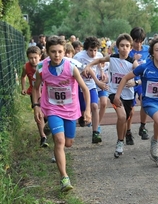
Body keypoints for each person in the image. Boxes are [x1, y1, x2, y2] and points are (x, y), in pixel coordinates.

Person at [32, 35, 91, 192]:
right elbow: (36, 87)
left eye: (59, 52)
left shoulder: (71, 67)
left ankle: (52, 128)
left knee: (68, 143)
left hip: (70, 109)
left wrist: (88, 110)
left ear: (65, 52)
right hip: (52, 108)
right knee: (59, 141)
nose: (56, 55)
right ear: (47, 52)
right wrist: (36, 106)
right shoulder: (41, 68)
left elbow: (85, 89)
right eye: (53, 52)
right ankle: (64, 178)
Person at [114, 37, 158, 167]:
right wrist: (117, 95)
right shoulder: (145, 67)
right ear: (152, 53)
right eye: (156, 50)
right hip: (149, 102)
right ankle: (154, 141)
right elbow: (126, 78)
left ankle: (157, 155)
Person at [83, 33, 138, 158]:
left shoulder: (133, 63)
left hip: (128, 95)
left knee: (125, 119)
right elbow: (99, 60)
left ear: (130, 48)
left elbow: (142, 74)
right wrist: (89, 65)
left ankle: (121, 139)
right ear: (118, 47)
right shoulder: (112, 58)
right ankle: (119, 142)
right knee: (122, 116)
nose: (124, 48)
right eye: (122, 45)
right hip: (114, 93)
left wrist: (135, 82)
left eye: (127, 46)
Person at [73, 37, 103, 144]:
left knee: (94, 106)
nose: (93, 53)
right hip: (80, 86)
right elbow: (73, 71)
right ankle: (81, 116)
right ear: (86, 49)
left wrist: (102, 72)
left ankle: (95, 132)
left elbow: (99, 64)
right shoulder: (78, 57)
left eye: (95, 50)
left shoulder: (99, 55)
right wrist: (81, 73)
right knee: (82, 109)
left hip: (91, 85)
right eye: (91, 50)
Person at [21, 46, 48, 148]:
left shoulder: (44, 66)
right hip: (34, 93)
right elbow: (23, 77)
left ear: (40, 56)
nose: (33, 60)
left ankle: (50, 128)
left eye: (35, 57)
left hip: (46, 93)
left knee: (46, 114)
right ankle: (43, 137)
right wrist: (23, 87)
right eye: (30, 58)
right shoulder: (26, 67)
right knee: (38, 115)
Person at [128, 27, 151, 142]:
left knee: (144, 101)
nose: (138, 44)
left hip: (142, 82)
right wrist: (133, 59)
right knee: (131, 110)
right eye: (136, 41)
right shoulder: (128, 51)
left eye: (141, 41)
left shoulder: (148, 50)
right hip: (130, 82)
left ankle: (142, 127)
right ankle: (128, 131)